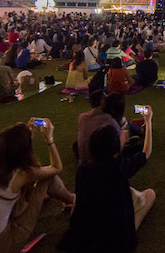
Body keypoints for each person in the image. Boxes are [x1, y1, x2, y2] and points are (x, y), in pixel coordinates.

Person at [0, 118, 75, 252]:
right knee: (47, 178)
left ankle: (62, 199)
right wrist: (49, 139)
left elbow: (8, 144)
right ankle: (71, 200)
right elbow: (56, 167)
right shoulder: (22, 173)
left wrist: (26, 135)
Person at [61, 106, 155, 252]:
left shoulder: (83, 170)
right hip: (113, 239)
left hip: (85, 235)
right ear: (115, 149)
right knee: (150, 194)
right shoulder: (119, 168)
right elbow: (146, 152)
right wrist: (148, 121)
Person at [76, 90, 121, 164]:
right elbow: (119, 142)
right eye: (105, 97)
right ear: (102, 102)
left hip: (84, 159)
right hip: (102, 160)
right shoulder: (109, 120)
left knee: (76, 145)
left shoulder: (82, 117)